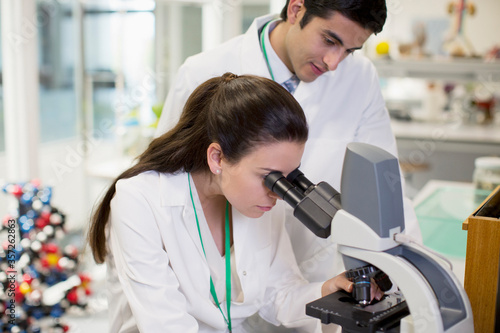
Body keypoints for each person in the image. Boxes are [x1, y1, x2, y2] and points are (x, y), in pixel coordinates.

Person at [156, 0, 422, 288]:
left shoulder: (359, 77)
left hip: (312, 275)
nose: (334, 63)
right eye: (329, 40)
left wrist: (409, 275)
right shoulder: (203, 70)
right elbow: (168, 180)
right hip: (222, 280)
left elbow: (385, 184)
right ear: (297, 10)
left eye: (349, 51)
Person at [88, 74, 382, 333]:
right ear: (217, 158)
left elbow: (278, 294)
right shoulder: (139, 201)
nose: (279, 193)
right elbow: (166, 325)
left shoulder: (258, 202)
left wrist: (327, 291)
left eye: (289, 178)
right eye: (270, 178)